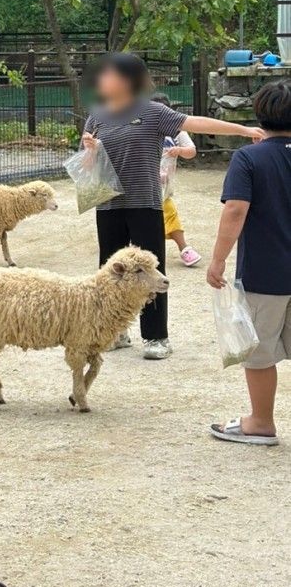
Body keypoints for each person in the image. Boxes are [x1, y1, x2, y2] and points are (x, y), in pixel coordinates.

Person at [82, 53, 264, 360]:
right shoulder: (96, 116)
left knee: (151, 272)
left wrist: (245, 131)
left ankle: (156, 337)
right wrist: (90, 149)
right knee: (110, 271)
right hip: (108, 205)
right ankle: (114, 331)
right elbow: (87, 167)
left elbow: (196, 122)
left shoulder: (152, 111)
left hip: (146, 202)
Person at [207, 80, 291, 446]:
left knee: (258, 353)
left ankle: (260, 422)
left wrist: (217, 260)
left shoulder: (249, 158)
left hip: (265, 274)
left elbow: (235, 211)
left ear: (259, 114)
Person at [152, 93, 201, 266]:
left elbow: (192, 151)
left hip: (164, 188)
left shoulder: (178, 131)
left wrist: (179, 150)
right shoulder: (144, 129)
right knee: (166, 214)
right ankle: (184, 249)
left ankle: (183, 250)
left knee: (165, 214)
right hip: (146, 186)